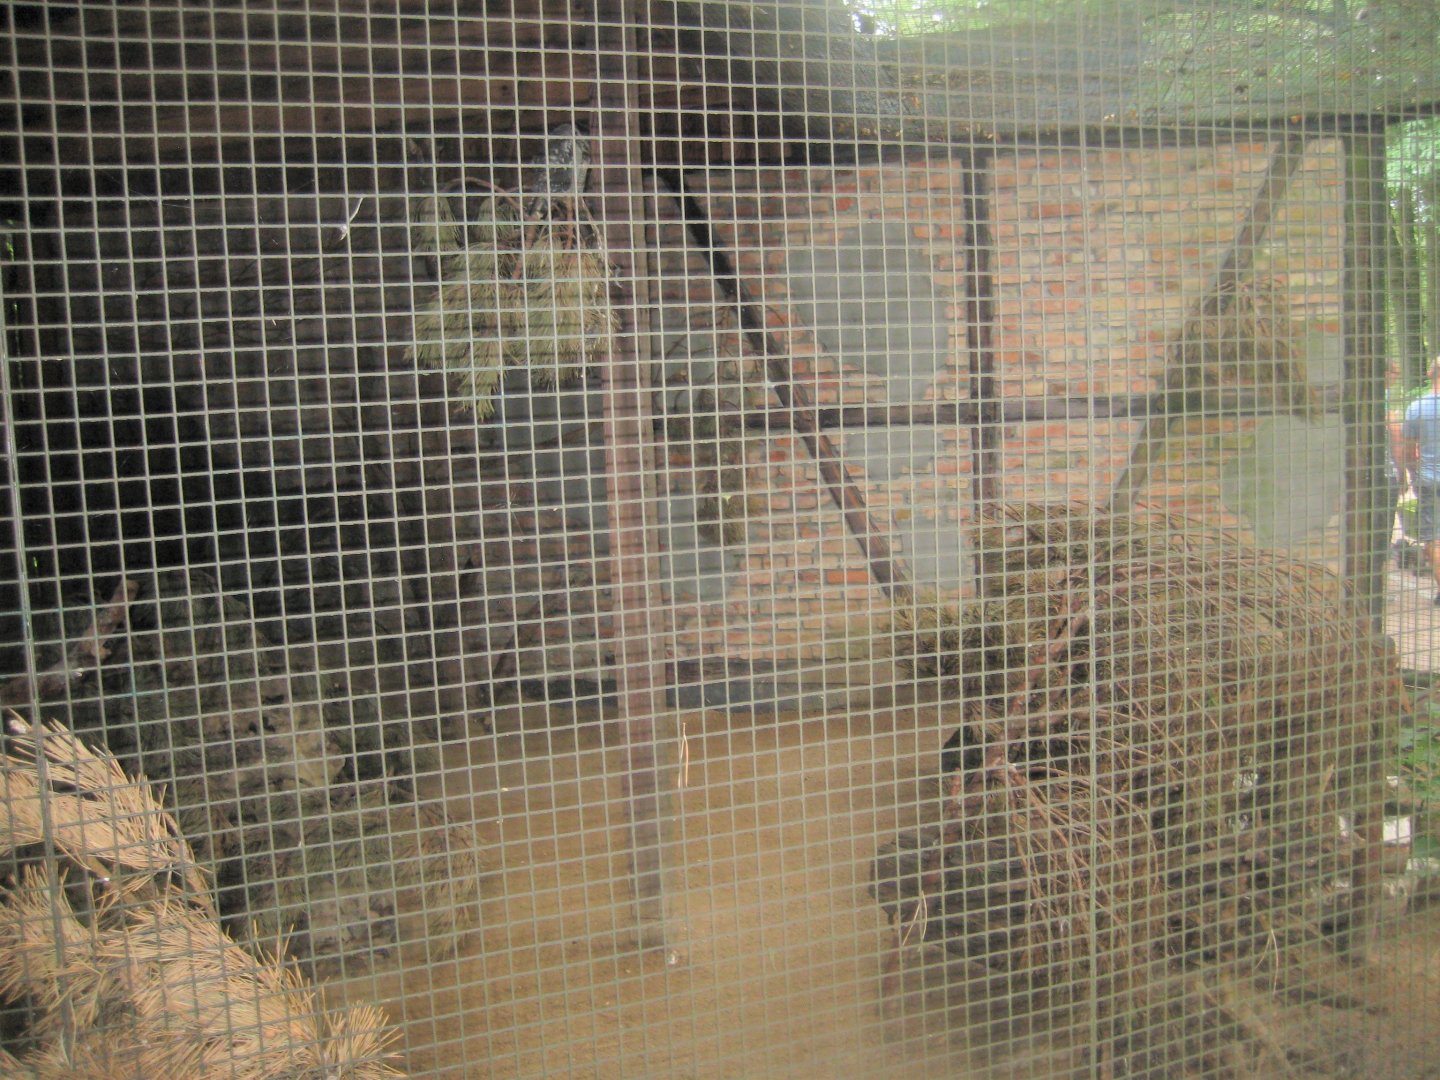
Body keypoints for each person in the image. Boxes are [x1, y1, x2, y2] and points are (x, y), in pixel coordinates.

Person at [1400, 358, 1440, 602]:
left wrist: (1413, 474)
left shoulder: (1416, 407)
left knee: (1432, 536)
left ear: (1429, 374)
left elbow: (1407, 450)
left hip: (1429, 480)